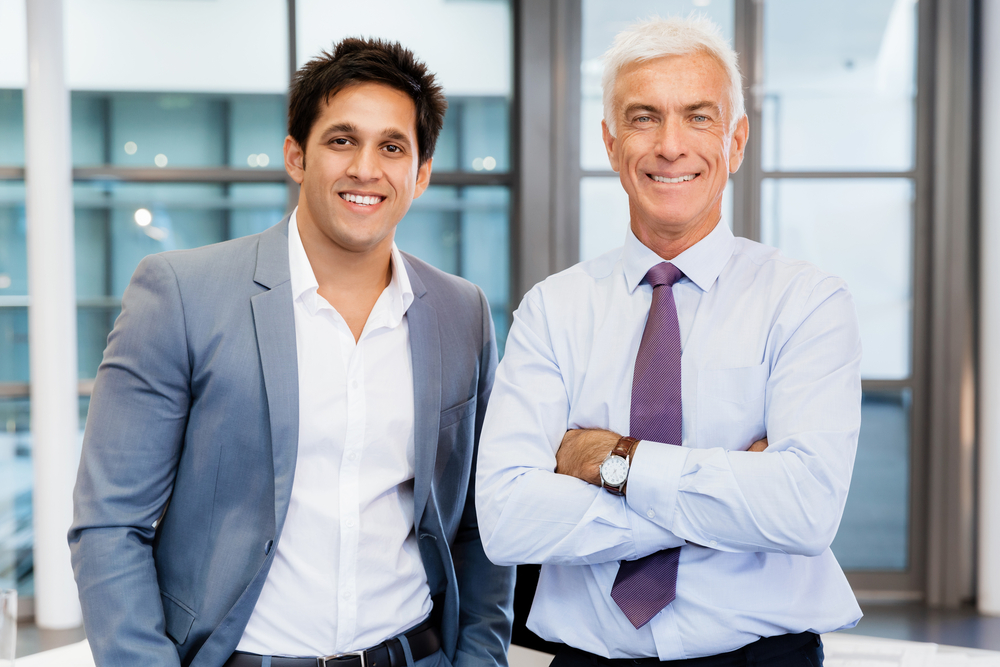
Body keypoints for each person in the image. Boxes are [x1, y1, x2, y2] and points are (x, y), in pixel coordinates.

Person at [69, 38, 514, 667]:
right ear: (296, 156)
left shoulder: (460, 311)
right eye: (341, 140)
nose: (366, 167)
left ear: (421, 173)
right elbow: (109, 526)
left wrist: (479, 658)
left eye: (392, 146)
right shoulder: (180, 293)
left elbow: (477, 521)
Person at [476, 16, 862, 667]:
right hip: (590, 657)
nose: (671, 144)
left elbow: (804, 511)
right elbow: (508, 517)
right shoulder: (553, 309)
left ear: (736, 141)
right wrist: (734, 496)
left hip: (760, 656)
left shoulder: (806, 302)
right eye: (644, 117)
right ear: (610, 141)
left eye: (699, 117)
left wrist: (613, 461)